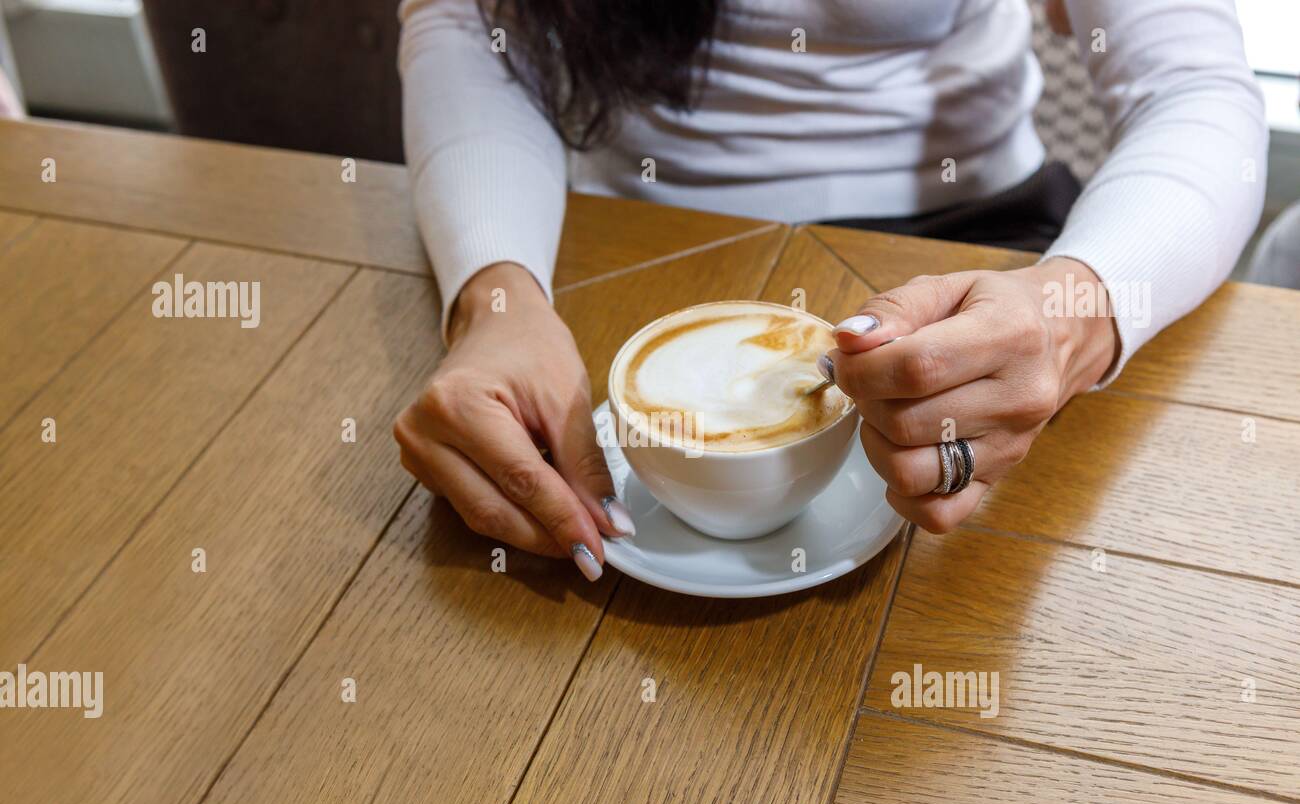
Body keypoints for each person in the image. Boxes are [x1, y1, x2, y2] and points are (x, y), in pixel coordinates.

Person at [392, 0, 1267, 581]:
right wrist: (493, 292)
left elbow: (1197, 91)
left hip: (978, 258)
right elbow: (469, 23)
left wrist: (1077, 308)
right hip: (620, 246)